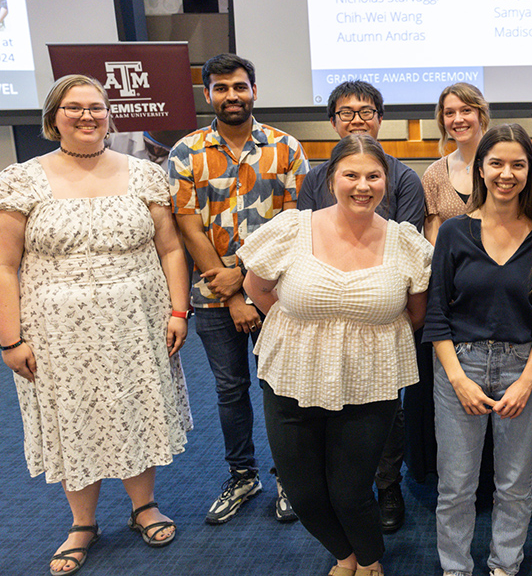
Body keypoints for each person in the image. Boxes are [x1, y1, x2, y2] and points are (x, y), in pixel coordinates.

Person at [0, 74, 192, 575]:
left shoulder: (144, 174)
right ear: (52, 117)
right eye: (74, 108)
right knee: (74, 415)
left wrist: (177, 310)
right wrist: (10, 338)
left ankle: (143, 506)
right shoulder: (23, 178)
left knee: (135, 405)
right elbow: (4, 265)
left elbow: (170, 248)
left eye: (96, 107)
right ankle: (82, 523)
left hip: (136, 322)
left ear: (109, 115)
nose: (87, 116)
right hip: (55, 331)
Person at [237, 134, 432, 576]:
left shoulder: (407, 243)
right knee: (304, 494)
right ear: (331, 179)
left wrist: (354, 332)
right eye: (351, 175)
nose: (362, 185)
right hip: (291, 376)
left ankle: (368, 561)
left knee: (350, 492)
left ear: (386, 181)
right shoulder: (292, 228)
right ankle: (344, 557)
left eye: (373, 176)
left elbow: (415, 316)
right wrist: (308, 327)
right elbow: (256, 290)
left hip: (369, 382)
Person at [169, 53, 308, 525]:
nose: (232, 95)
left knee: (281, 390)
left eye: (240, 86)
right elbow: (187, 227)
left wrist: (245, 284)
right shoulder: (185, 152)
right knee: (230, 391)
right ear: (208, 94)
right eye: (222, 88)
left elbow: (295, 224)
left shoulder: (286, 148)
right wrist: (231, 294)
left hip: (274, 295)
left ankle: (289, 477)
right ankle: (242, 475)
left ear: (254, 91)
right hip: (213, 298)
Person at [423, 123, 532, 576]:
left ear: (530, 171)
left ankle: (505, 565)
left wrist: (527, 381)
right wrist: (457, 380)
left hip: (524, 367)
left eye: (518, 164)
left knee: (515, 484)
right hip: (458, 366)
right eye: (496, 163)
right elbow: (437, 314)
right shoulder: (454, 232)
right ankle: (456, 568)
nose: (507, 173)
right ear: (480, 168)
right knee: (457, 486)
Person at [297, 79, 425, 532]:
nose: (357, 119)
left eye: (365, 111)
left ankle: (388, 485)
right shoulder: (316, 177)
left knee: (383, 413)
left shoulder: (404, 177)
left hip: (378, 313)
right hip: (323, 315)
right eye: (346, 113)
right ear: (332, 121)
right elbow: (304, 242)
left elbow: (405, 249)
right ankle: (337, 492)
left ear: (380, 118)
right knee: (322, 408)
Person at [423, 82, 490, 244]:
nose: (458, 119)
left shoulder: (502, 165)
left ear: (481, 114)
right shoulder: (433, 175)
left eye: (466, 110)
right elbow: (434, 242)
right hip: (452, 267)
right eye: (450, 113)